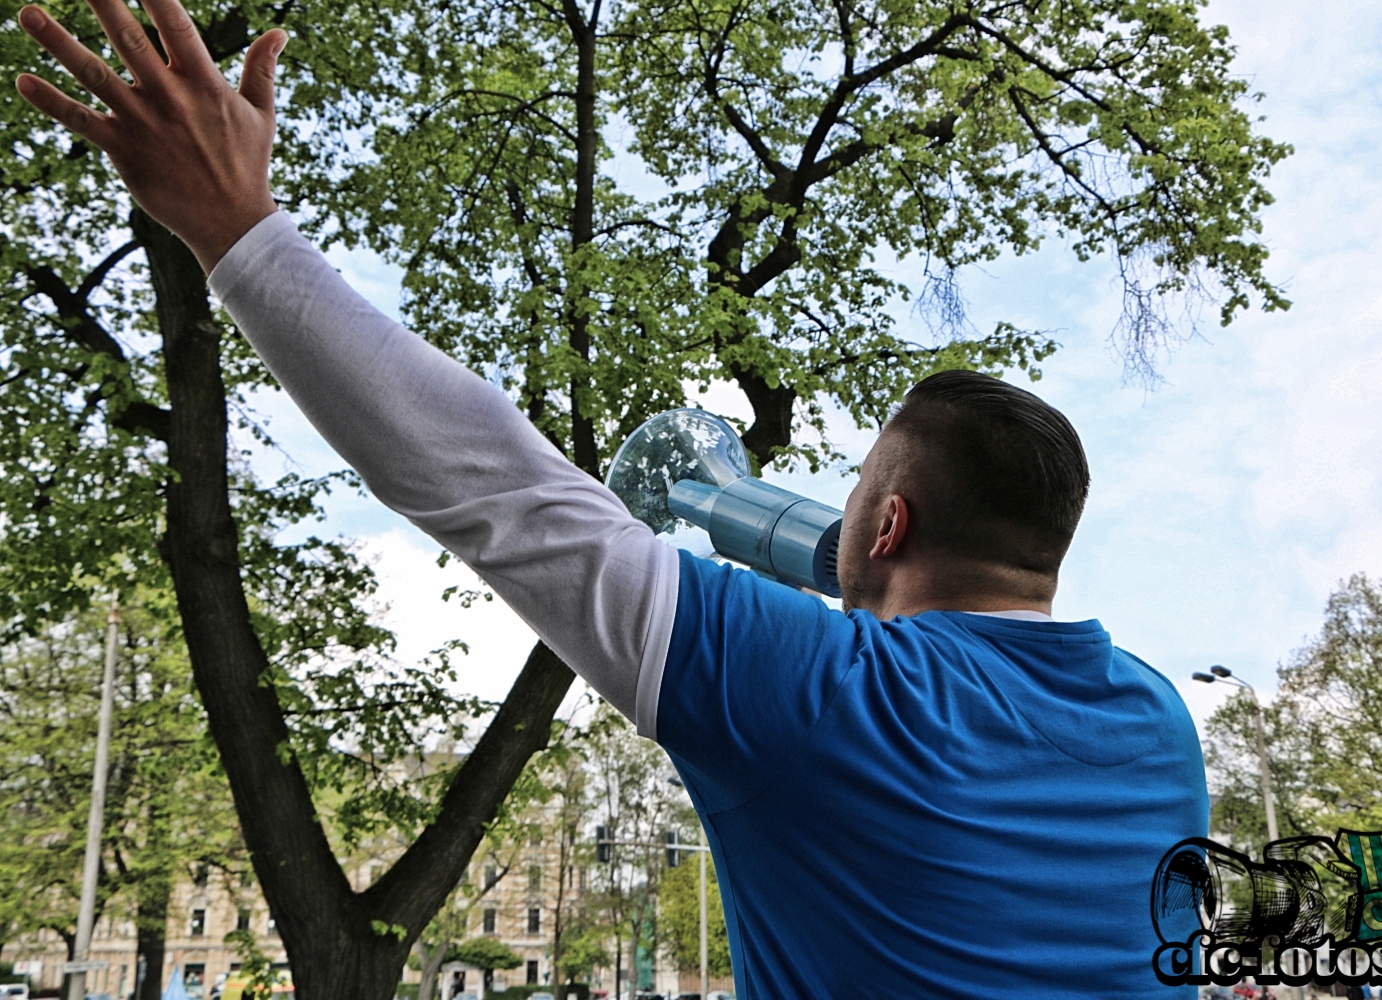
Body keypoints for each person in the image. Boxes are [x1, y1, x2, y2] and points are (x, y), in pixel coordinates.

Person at [13, 2, 1209, 995]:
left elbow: (491, 483)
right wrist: (783, 526)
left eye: (857, 498)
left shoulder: (819, 696)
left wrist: (235, 226)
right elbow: (902, 599)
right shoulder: (1155, 726)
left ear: (887, 525)